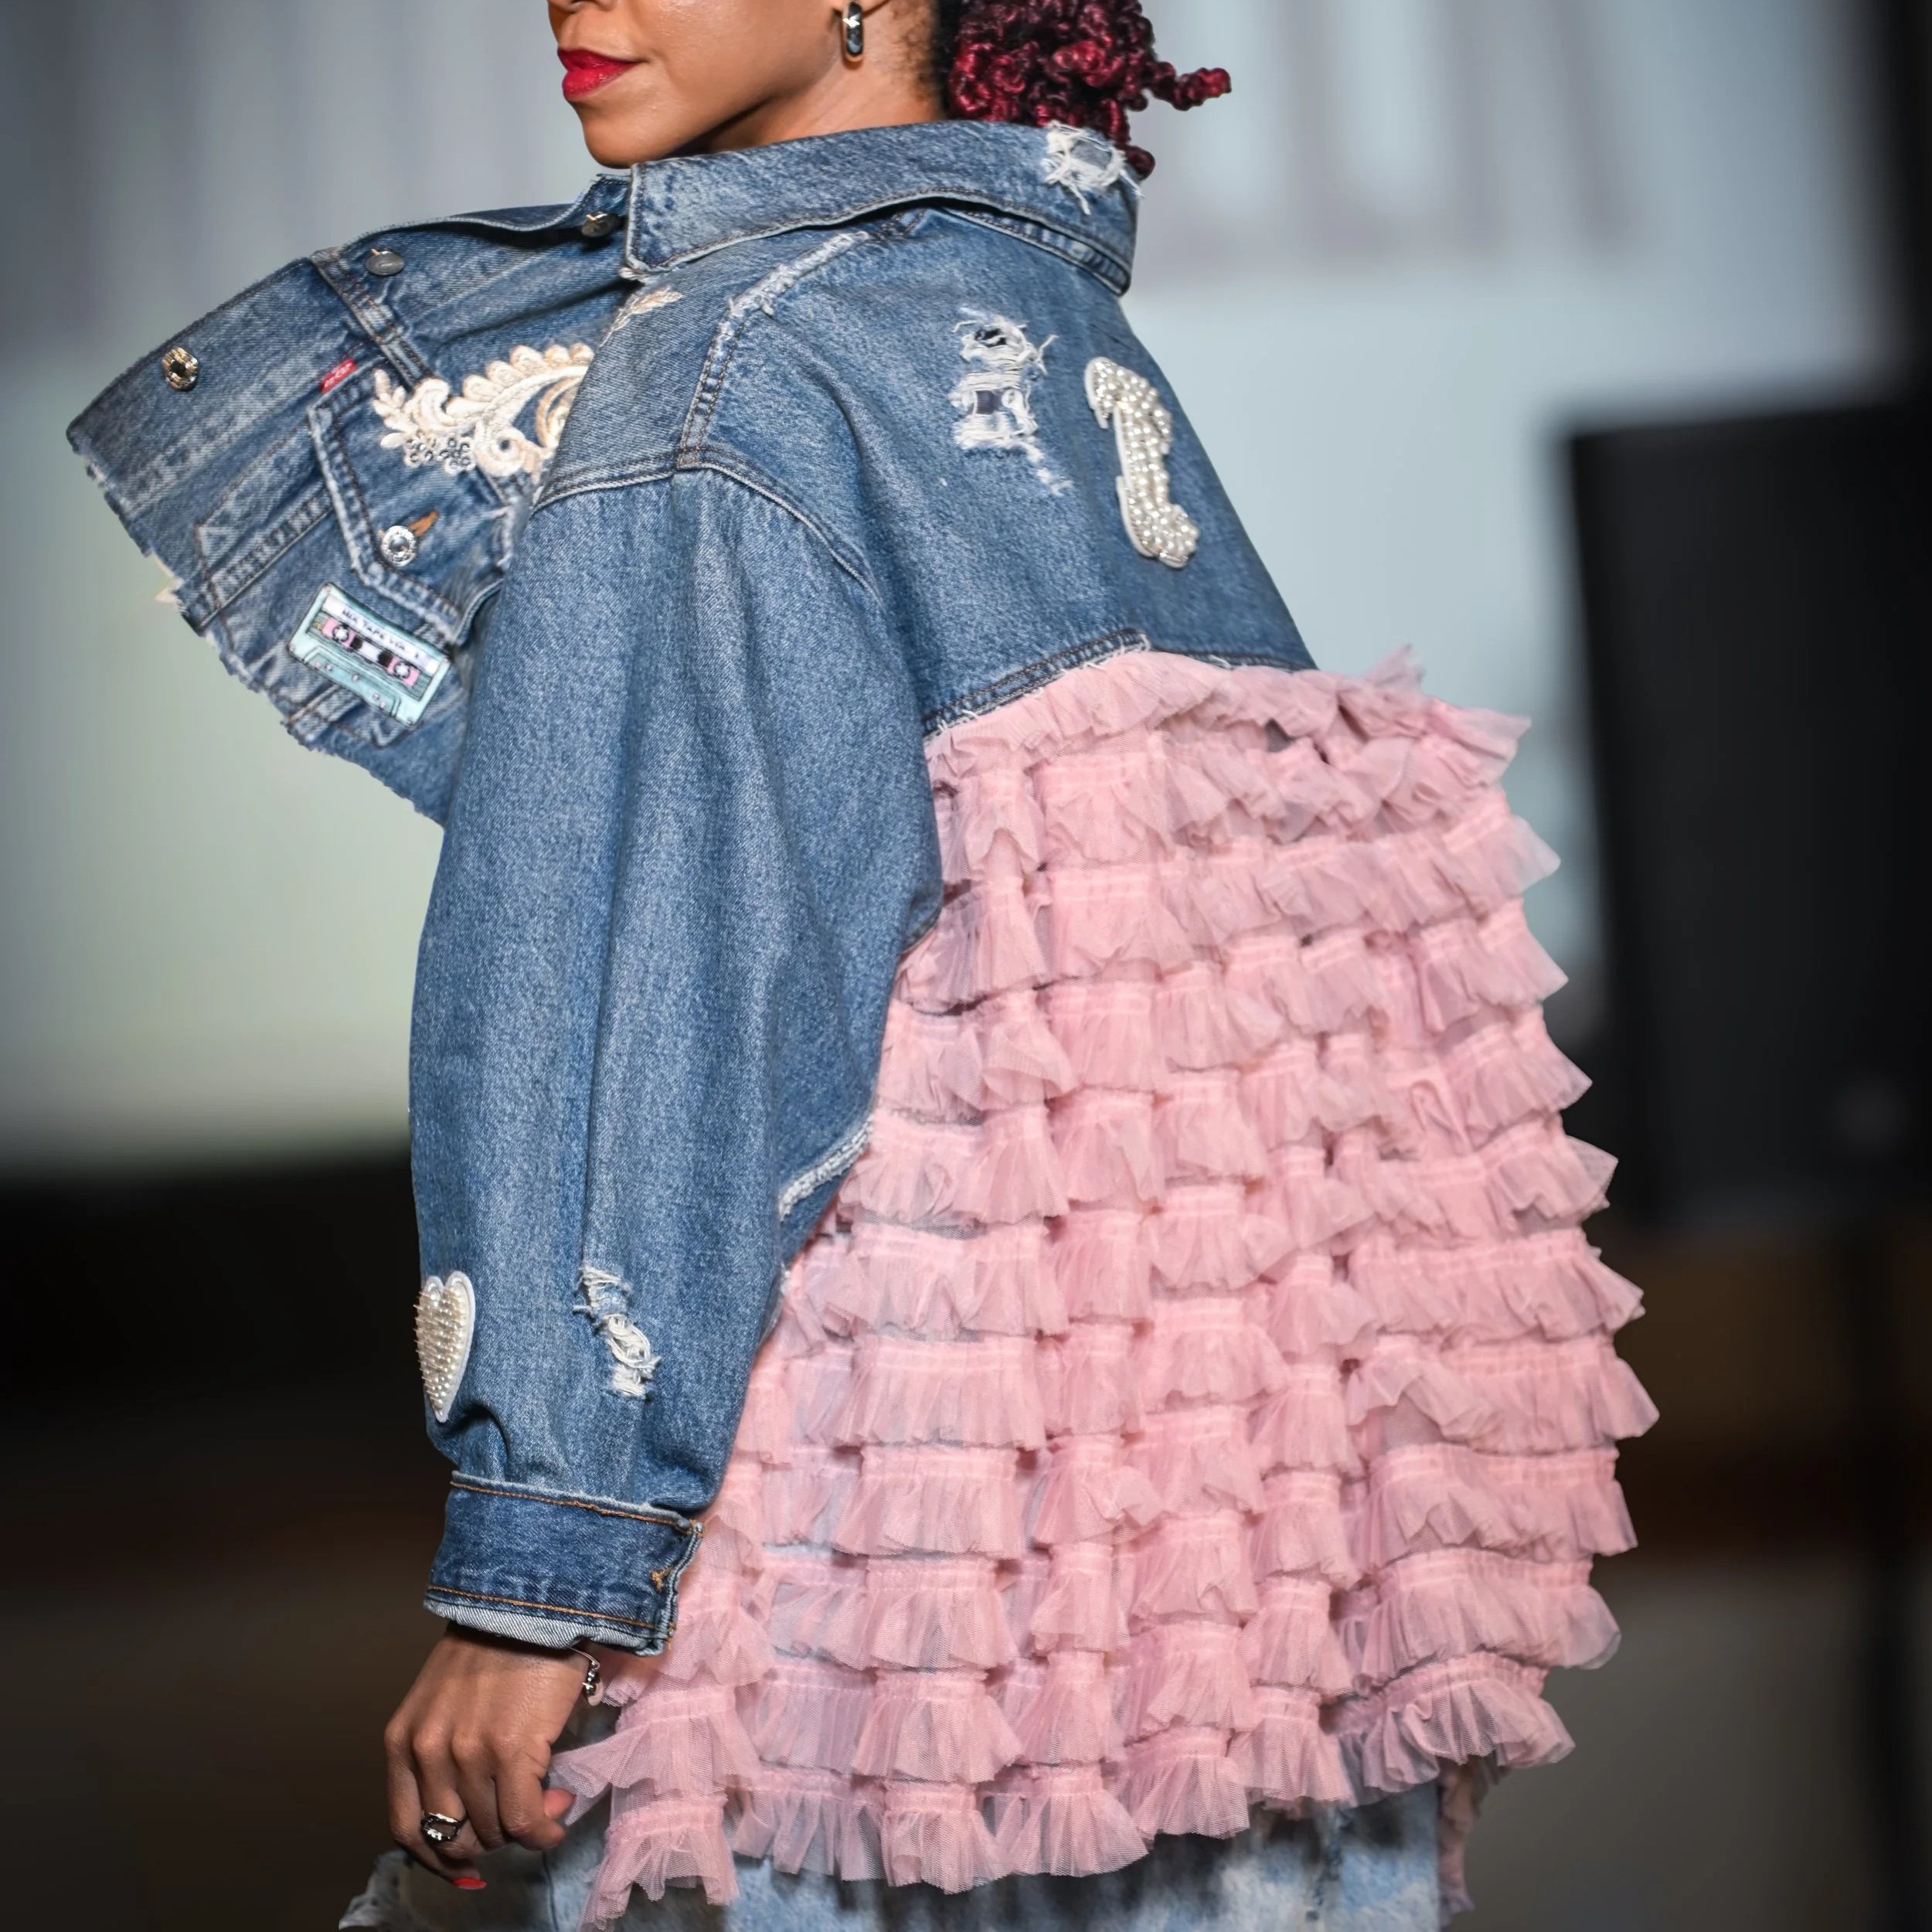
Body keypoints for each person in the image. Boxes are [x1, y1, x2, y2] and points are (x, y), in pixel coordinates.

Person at [70, 2, 1655, 1926]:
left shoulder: (729, 376)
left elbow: (647, 972)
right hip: (1202, 1626)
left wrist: (540, 1561)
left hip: (877, 1657)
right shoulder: (1056, 336)